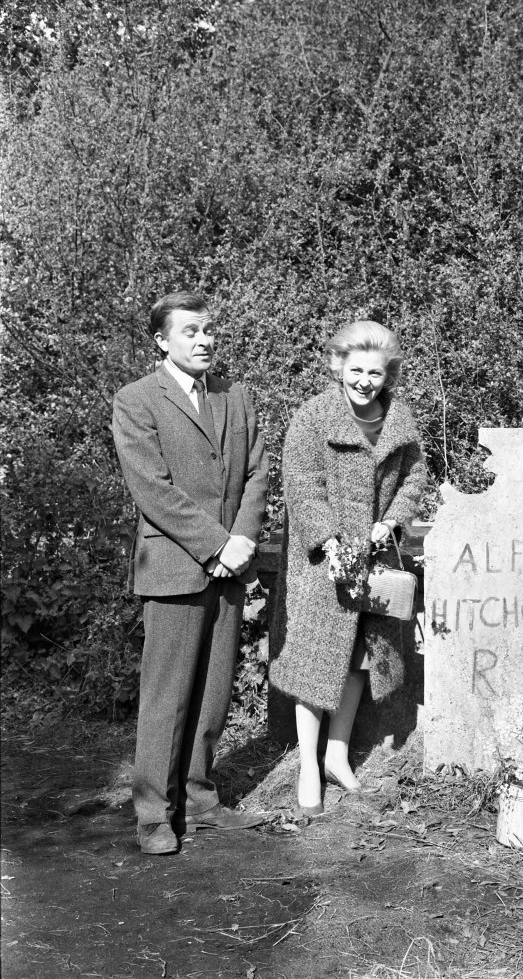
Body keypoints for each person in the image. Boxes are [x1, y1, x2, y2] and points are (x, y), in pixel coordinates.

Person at [112, 291, 269, 854]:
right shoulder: (136, 401)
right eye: (190, 332)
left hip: (229, 568)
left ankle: (200, 802)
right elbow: (152, 489)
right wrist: (217, 544)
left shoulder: (236, 396)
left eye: (208, 331)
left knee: (212, 693)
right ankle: (154, 815)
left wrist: (243, 538)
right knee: (167, 697)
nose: (204, 341)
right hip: (176, 568)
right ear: (162, 340)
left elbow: (257, 471)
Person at [269, 320, 427, 813]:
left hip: (374, 560)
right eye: (355, 369)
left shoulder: (399, 418)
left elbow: (416, 476)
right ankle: (309, 766)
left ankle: (338, 755)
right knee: (316, 660)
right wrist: (329, 539)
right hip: (323, 561)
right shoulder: (313, 417)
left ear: (389, 374)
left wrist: (395, 520)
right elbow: (300, 482)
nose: (364, 381)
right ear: (338, 366)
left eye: (375, 373)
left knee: (361, 656)